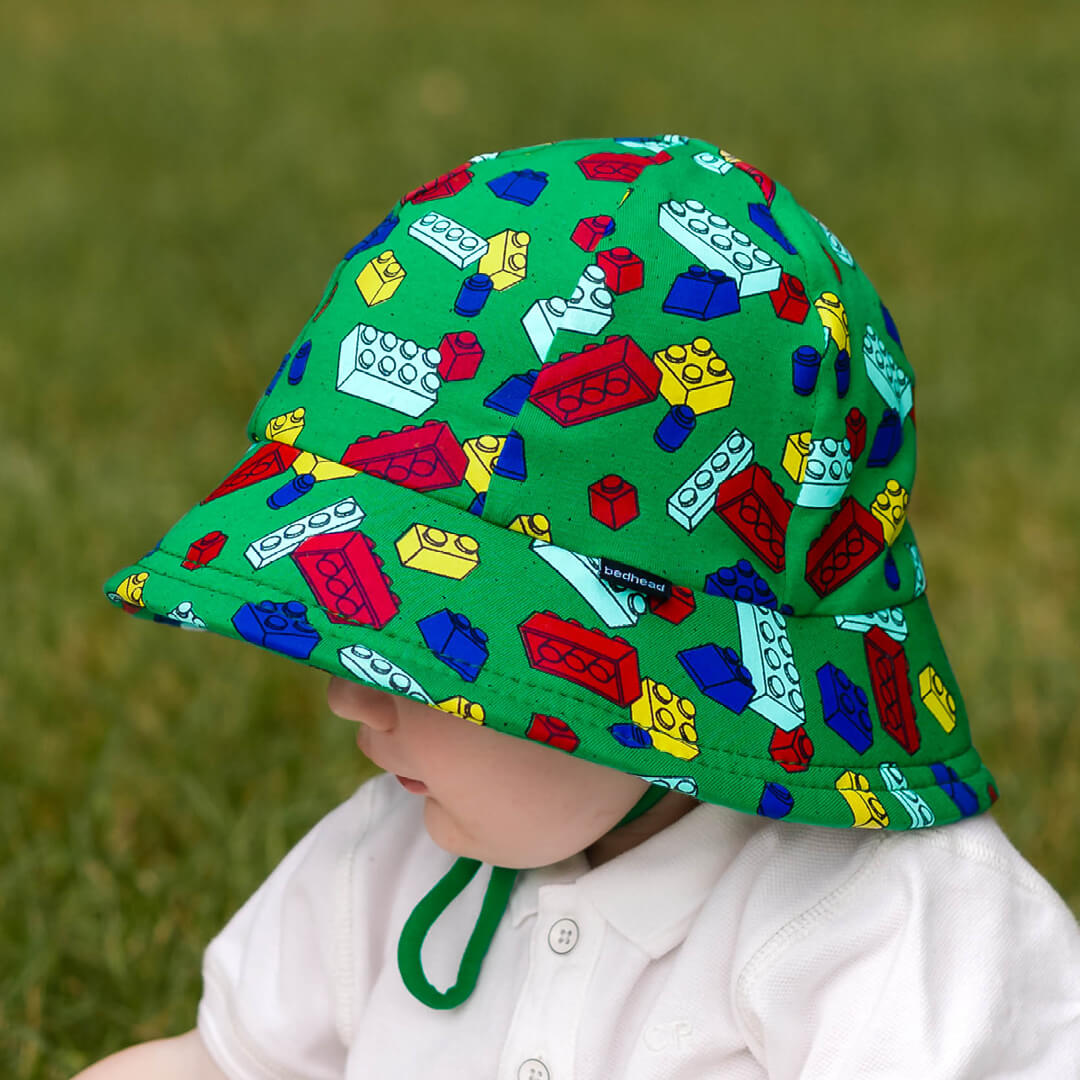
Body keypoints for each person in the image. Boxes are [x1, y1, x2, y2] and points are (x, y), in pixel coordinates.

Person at [79, 134, 1080, 1078]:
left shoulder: (895, 927)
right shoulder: (382, 868)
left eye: (427, 656)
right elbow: (226, 1067)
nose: (351, 697)